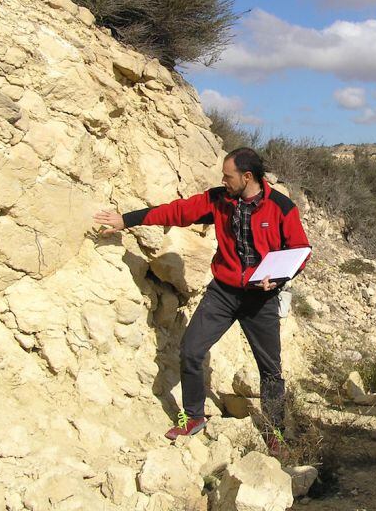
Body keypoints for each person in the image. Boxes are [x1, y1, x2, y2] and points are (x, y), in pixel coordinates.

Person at [93, 147, 310, 445]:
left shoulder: (282, 208)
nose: (223, 181)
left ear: (247, 177)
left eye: (228, 176)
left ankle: (275, 433)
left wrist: (280, 279)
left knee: (270, 370)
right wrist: (127, 219)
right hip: (223, 292)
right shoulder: (218, 200)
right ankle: (193, 417)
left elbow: (300, 251)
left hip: (260, 299)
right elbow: (176, 211)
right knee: (191, 351)